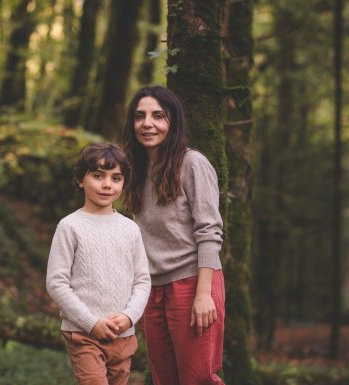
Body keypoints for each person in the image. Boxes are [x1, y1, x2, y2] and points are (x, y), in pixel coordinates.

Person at [122, 85, 226, 385]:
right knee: (163, 378)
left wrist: (203, 295)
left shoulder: (193, 163)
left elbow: (209, 230)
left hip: (193, 283)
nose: (148, 123)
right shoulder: (134, 170)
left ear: (172, 122)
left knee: (197, 379)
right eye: (140, 116)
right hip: (153, 289)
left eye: (158, 115)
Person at [46, 143, 151, 385]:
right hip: (84, 334)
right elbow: (56, 283)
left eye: (116, 178)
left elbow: (142, 280)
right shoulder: (69, 227)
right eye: (98, 176)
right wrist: (91, 323)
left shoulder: (130, 228)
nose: (107, 185)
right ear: (80, 180)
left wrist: (129, 316)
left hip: (123, 334)